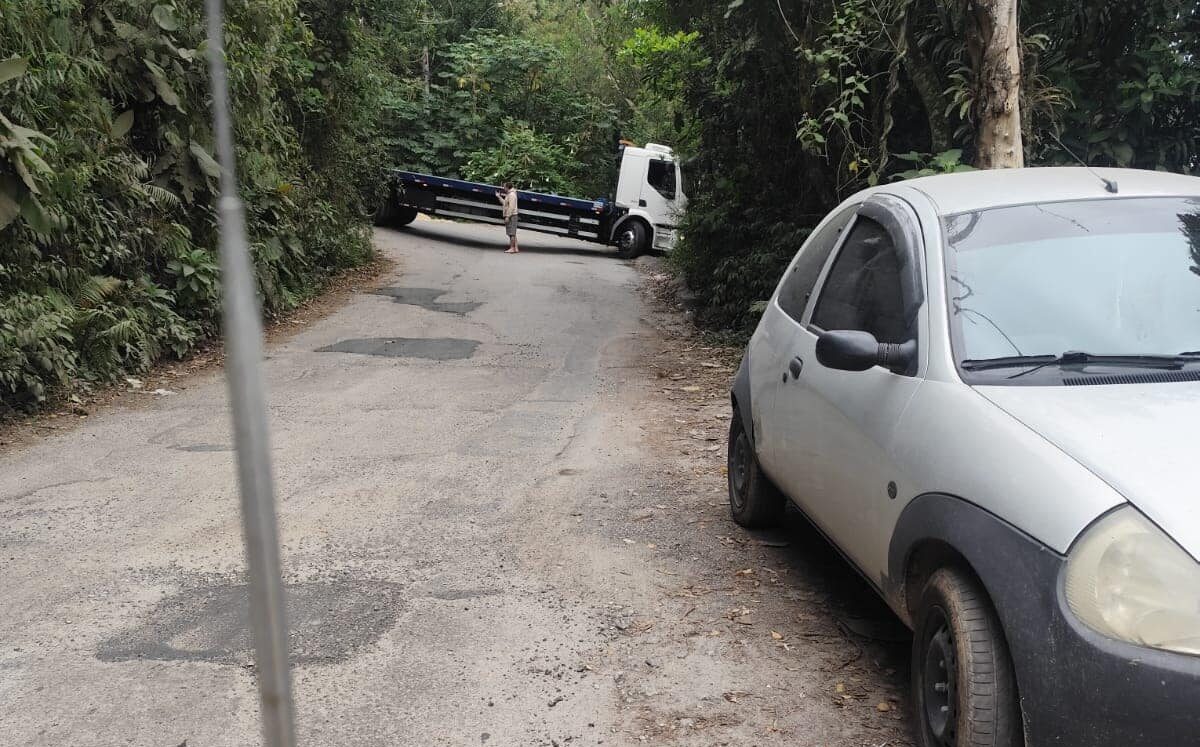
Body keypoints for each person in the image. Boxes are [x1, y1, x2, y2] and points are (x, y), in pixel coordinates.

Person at [495, 183, 520, 254]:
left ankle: (512, 248)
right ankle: (516, 248)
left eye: (504, 187)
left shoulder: (512, 195)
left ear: (507, 187)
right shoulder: (510, 194)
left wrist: (507, 216)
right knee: (513, 233)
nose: (503, 188)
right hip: (512, 215)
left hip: (512, 216)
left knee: (511, 233)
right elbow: (505, 204)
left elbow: (511, 207)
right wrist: (499, 197)